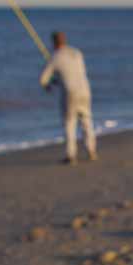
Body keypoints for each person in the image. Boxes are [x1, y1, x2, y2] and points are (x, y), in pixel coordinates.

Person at [40, 31, 97, 165]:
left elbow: (43, 79)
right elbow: (73, 72)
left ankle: (71, 156)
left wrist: (49, 85)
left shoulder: (56, 57)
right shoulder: (77, 53)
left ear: (54, 42)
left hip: (71, 93)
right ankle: (91, 151)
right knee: (86, 121)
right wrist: (58, 78)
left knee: (70, 123)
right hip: (85, 90)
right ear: (64, 40)